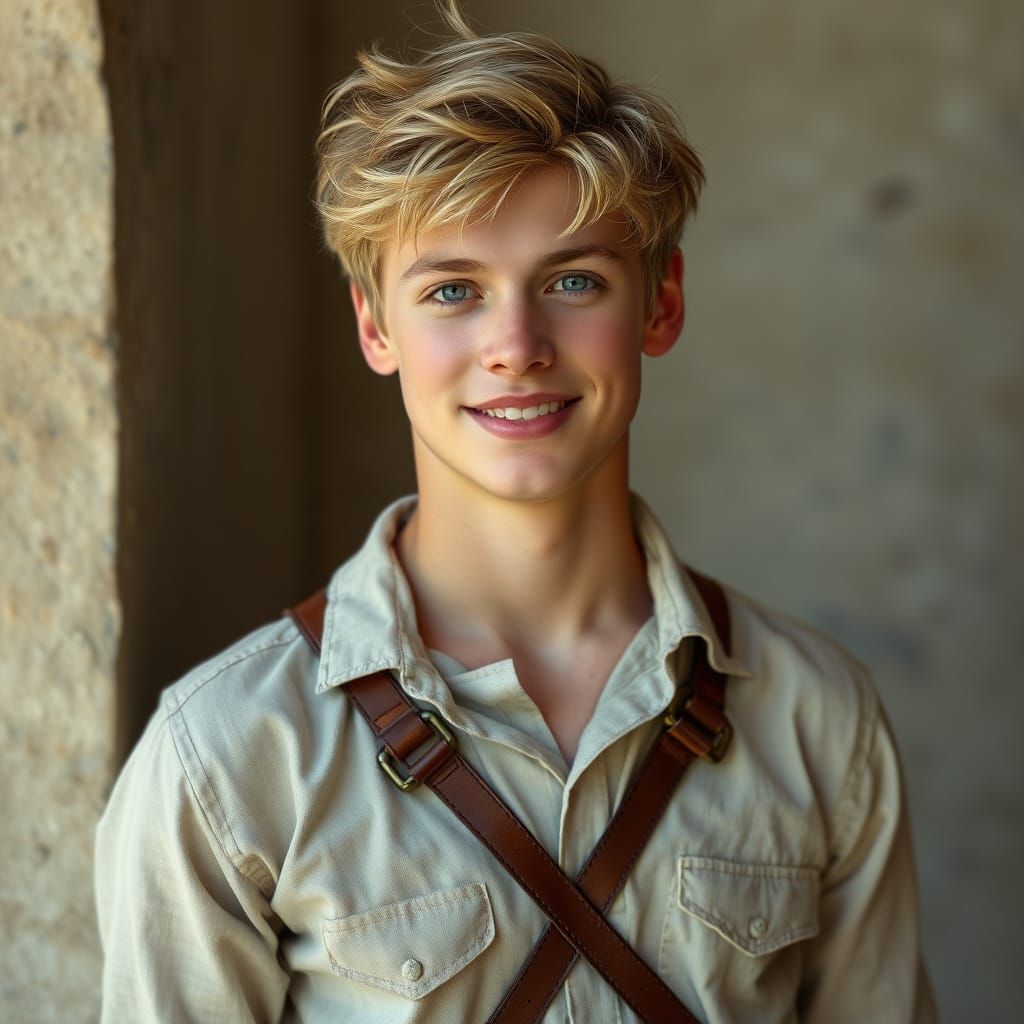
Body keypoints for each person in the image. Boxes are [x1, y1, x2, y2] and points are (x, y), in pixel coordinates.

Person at [94, 1, 937, 1020]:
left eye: (573, 279)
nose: (516, 343)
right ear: (374, 326)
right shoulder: (225, 754)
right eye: (452, 291)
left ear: (660, 304)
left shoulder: (816, 722)